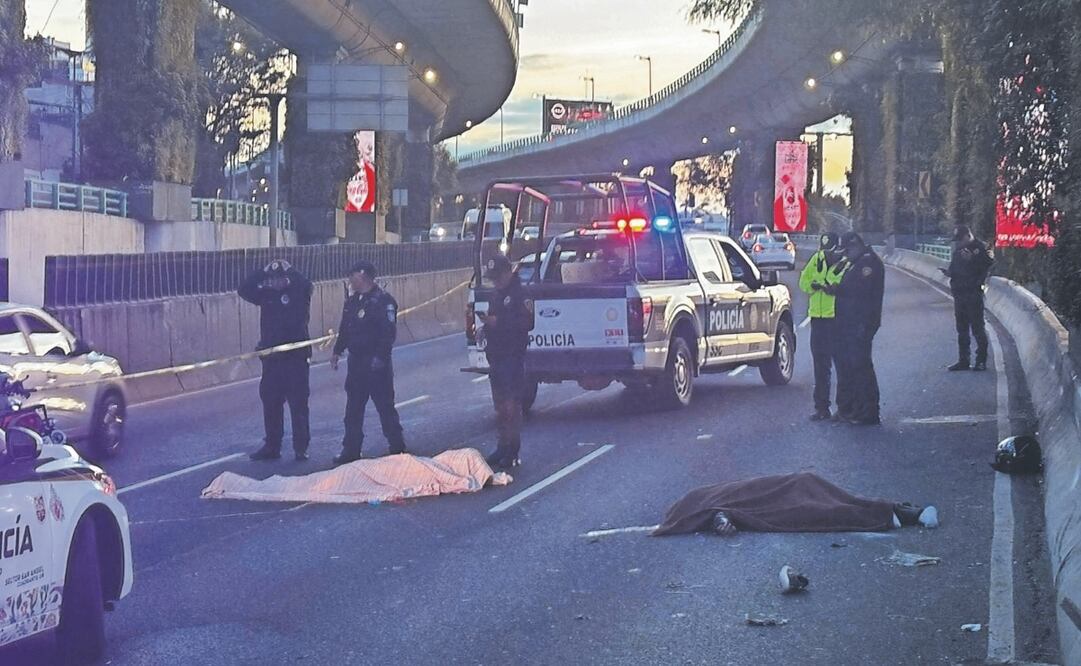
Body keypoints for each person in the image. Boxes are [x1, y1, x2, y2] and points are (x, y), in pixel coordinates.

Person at [331, 261, 406, 464]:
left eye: (352, 276)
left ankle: (397, 446)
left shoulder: (383, 301)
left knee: (385, 407)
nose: (350, 280)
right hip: (356, 362)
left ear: (362, 276)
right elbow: (345, 328)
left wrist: (380, 358)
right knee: (353, 409)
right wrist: (337, 350)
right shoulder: (353, 302)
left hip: (376, 364)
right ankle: (351, 449)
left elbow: (387, 333)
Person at [238, 260, 314, 461]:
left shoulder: (298, 294)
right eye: (272, 279)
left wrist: (291, 269)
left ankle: (301, 446)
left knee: (298, 404)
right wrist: (263, 272)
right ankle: (272, 446)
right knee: (271, 403)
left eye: (279, 278)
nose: (275, 282)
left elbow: (307, 285)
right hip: (272, 360)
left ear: (286, 278)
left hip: (295, 359)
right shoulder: (267, 295)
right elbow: (244, 289)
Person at [478, 254, 534, 471]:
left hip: (512, 355)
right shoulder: (497, 294)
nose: (496, 281)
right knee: (500, 405)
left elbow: (527, 323)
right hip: (497, 355)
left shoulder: (521, 294)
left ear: (508, 272)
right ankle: (502, 446)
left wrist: (498, 322)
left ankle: (512, 449)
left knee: (511, 405)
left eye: (499, 276)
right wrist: (486, 327)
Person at [827, 232, 885, 425]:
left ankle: (868, 411)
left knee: (861, 367)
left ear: (855, 246)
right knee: (850, 366)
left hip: (860, 323)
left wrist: (838, 290)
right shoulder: (857, 262)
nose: (845, 255)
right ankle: (853, 408)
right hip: (850, 322)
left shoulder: (867, 264)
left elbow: (860, 293)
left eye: (847, 250)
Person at [798, 232, 849, 421]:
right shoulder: (816, 259)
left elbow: (847, 288)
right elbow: (803, 282)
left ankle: (843, 408)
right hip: (817, 319)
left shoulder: (845, 264)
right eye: (824, 250)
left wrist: (832, 288)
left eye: (830, 250)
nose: (827, 254)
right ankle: (822, 408)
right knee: (820, 366)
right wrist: (814, 286)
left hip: (836, 319)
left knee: (841, 364)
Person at [940, 225, 994, 371]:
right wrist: (949, 272)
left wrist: (972, 260)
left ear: (967, 236)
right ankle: (963, 360)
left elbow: (989, 265)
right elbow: (954, 268)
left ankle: (981, 360)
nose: (958, 243)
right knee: (962, 329)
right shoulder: (958, 250)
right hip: (959, 294)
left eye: (960, 239)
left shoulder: (982, 248)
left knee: (977, 328)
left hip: (973, 293)